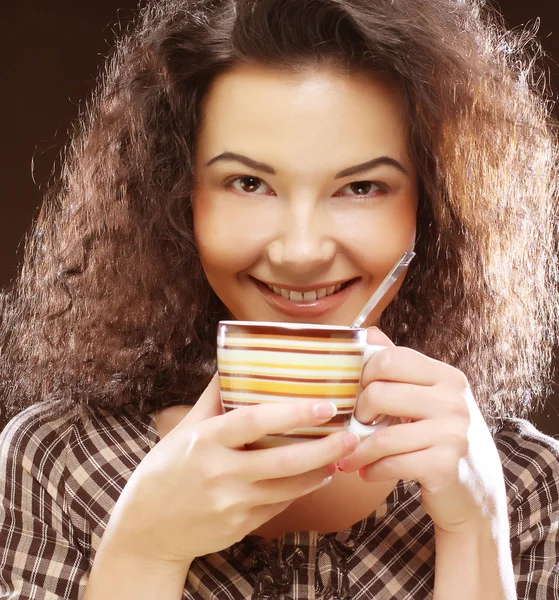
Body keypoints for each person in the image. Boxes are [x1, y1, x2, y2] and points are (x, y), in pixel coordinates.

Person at [1, 0, 558, 597]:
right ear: (177, 196)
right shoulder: (59, 463)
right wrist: (144, 549)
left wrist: (476, 524)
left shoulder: (527, 482)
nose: (300, 251)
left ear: (432, 210)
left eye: (361, 187)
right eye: (248, 183)